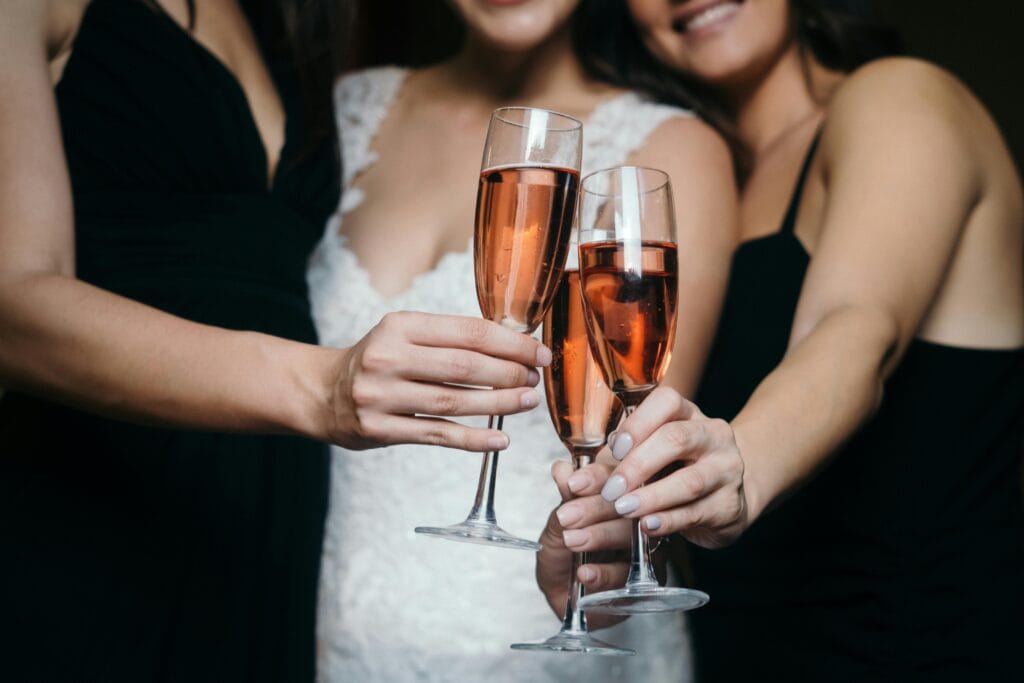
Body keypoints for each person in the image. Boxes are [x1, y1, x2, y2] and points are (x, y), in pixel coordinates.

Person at [0, 1, 552, 680]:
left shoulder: (287, 24)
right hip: (89, 533)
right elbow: (11, 305)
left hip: (262, 553)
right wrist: (318, 386)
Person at [538, 0, 1024, 680]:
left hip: (917, 651)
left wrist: (741, 464)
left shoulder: (900, 97)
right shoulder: (695, 184)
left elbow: (853, 326)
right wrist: (624, 547)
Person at [307, 0, 738, 680]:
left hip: (552, 640)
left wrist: (603, 545)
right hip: (336, 628)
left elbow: (643, 429)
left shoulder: (676, 147)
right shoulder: (343, 109)